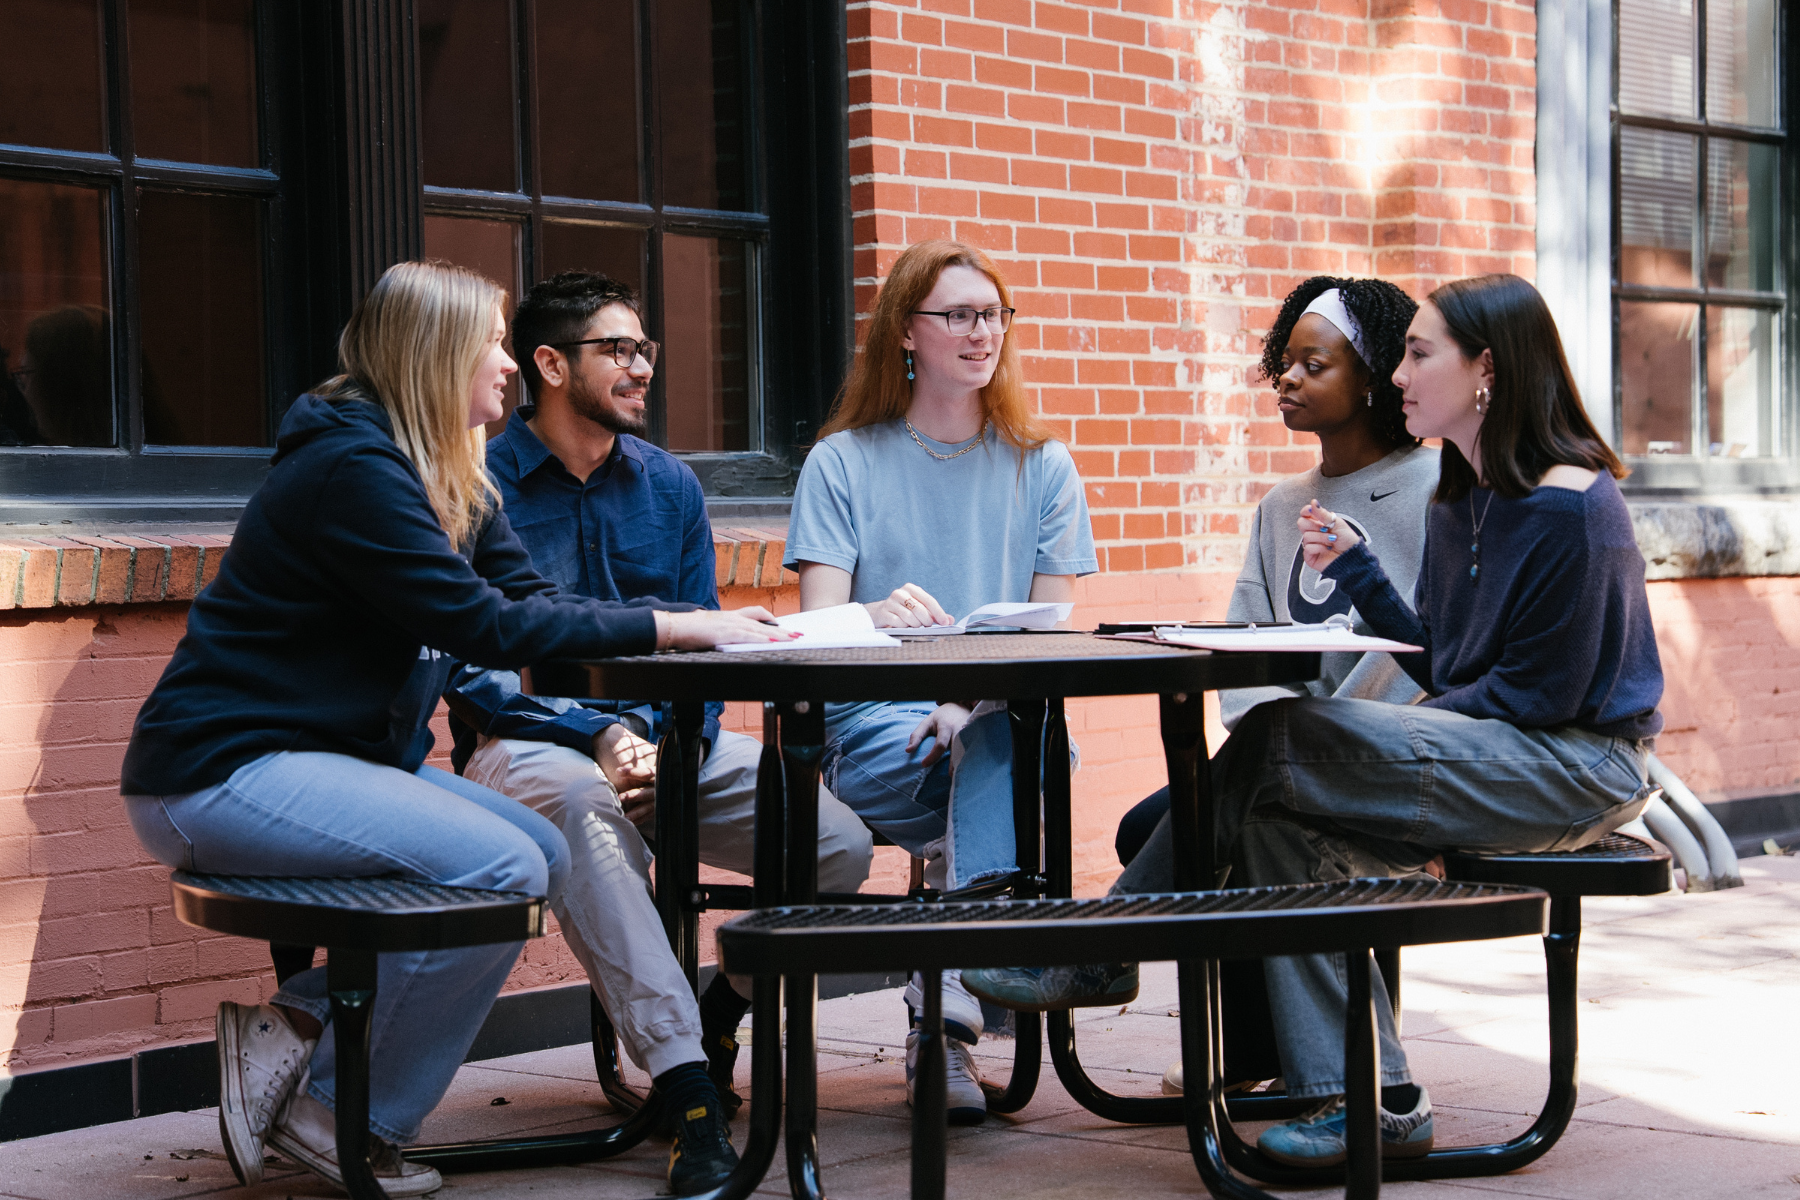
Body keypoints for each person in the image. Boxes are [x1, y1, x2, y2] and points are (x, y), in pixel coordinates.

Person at [119, 261, 792, 1198]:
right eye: (492, 342)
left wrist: (677, 638)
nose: (509, 363)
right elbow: (483, 624)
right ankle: (340, 1115)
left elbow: (530, 596)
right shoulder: (353, 470)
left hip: (321, 761)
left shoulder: (449, 472)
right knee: (502, 864)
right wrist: (674, 627)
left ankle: (298, 1021)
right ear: (435, 355)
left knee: (543, 850)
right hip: (218, 772)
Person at [969, 273, 1664, 1167]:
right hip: (1502, 744)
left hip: (1576, 765)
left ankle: (1104, 945)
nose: (1399, 375)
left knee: (1280, 739)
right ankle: (1375, 1102)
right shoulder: (1465, 492)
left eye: (1419, 354)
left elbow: (1538, 699)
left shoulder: (1571, 505)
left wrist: (1373, 756)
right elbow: (1446, 662)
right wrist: (1364, 575)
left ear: (1486, 369)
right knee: (1277, 832)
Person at [445, 270, 873, 1117]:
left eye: (644, 348)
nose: (642, 367)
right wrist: (594, 737)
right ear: (551, 365)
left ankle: (722, 1010)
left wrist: (668, 747)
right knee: (586, 810)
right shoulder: (475, 485)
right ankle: (683, 1081)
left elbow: (707, 644)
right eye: (618, 349)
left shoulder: (671, 485)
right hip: (526, 747)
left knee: (834, 844)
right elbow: (472, 673)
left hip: (667, 741)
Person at [1041, 276, 1438, 1097]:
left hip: (1386, 755)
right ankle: (1260, 1051)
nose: (1287, 378)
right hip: (1283, 753)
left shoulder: (1438, 491)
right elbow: (1244, 643)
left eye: (1313, 364)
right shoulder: (1282, 506)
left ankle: (1139, 968)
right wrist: (1276, 735)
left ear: (1372, 379)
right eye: (1284, 361)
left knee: (1224, 827)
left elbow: (1435, 661)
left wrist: (1329, 743)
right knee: (1151, 826)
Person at [784, 239, 1098, 1124]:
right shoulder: (841, 462)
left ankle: (946, 1006)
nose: (981, 332)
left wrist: (965, 702)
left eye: (992, 314)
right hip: (870, 726)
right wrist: (874, 614)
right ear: (905, 333)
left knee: (997, 742)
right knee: (998, 765)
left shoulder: (1044, 465)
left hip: (997, 718)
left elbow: (1046, 632)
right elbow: (813, 635)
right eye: (958, 314)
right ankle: (956, 1000)